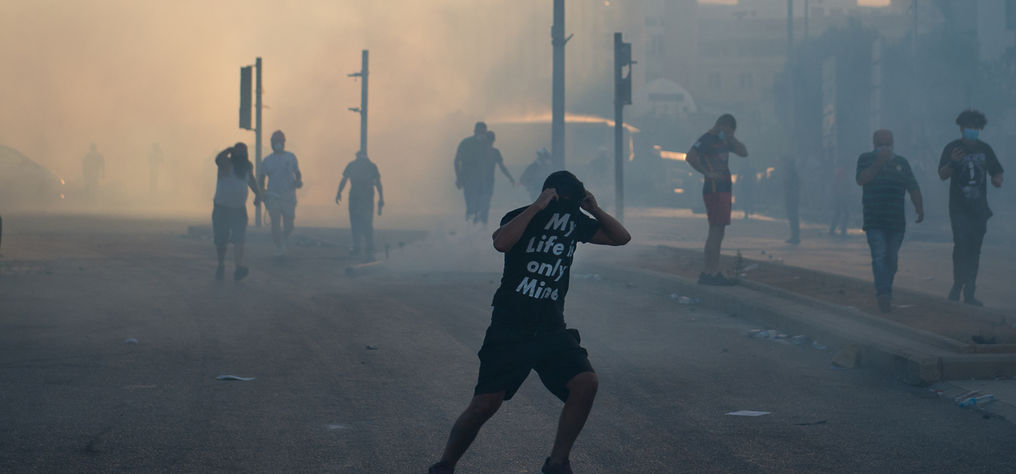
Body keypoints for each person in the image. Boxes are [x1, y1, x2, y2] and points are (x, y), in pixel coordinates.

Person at [429, 171, 630, 474]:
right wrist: (537, 206)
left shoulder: (575, 221)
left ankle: (558, 463)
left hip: (551, 327)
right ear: (547, 194)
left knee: (585, 383)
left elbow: (621, 238)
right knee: (485, 404)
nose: (565, 211)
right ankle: (445, 465)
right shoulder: (522, 216)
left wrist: (594, 209)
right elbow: (501, 243)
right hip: (510, 327)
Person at [938, 109, 1005, 306]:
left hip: (979, 209)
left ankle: (970, 291)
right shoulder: (952, 148)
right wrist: (953, 162)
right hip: (959, 208)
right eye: (968, 127)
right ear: (961, 128)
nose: (972, 131)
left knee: (975, 249)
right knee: (961, 246)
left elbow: (997, 172)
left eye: (976, 128)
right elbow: (942, 174)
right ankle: (957, 285)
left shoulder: (985, 149)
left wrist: (997, 180)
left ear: (980, 129)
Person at [856, 129, 923, 313]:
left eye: (888, 143)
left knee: (891, 260)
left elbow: (912, 185)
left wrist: (919, 206)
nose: (885, 146)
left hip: (896, 220)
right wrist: (879, 162)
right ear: (874, 144)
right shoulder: (865, 159)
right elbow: (861, 180)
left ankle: (886, 290)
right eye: (881, 143)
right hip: (874, 220)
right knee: (879, 256)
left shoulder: (901, 162)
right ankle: (883, 294)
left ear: (893, 144)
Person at [685, 114, 749, 286]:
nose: (729, 133)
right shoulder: (707, 139)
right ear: (722, 125)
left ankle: (710, 271)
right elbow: (690, 157)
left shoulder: (725, 141)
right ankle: (711, 272)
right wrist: (707, 173)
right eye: (729, 129)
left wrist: (731, 138)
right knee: (715, 231)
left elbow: (744, 152)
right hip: (714, 189)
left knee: (718, 231)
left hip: (724, 190)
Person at [212, 143, 262, 281]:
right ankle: (221, 264)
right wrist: (228, 150)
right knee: (221, 240)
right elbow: (218, 159)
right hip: (222, 208)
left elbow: (251, 180)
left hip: (239, 209)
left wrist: (258, 194)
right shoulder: (226, 164)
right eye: (237, 153)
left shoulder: (246, 167)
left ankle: (238, 267)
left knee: (239, 238)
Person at [259, 130, 303, 256]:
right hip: (273, 196)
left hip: (288, 195)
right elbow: (262, 178)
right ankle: (279, 246)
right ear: (272, 144)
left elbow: (297, 173)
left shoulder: (291, 157)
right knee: (275, 222)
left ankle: (282, 239)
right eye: (275, 142)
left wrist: (298, 181)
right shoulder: (267, 160)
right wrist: (262, 192)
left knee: (289, 225)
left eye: (279, 142)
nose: (277, 144)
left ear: (283, 143)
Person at [336, 150, 383, 260]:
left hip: (361, 196)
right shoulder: (368, 166)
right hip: (360, 196)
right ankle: (364, 247)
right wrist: (339, 191)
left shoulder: (362, 166)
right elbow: (378, 183)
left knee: (361, 221)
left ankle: (365, 247)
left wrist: (339, 192)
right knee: (361, 221)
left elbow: (378, 182)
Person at [472, 130, 516, 225]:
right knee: (483, 202)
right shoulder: (492, 152)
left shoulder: (483, 152)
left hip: (484, 181)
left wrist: (510, 178)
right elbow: (502, 167)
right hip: (485, 181)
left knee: (482, 201)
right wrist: (510, 178)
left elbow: (501, 167)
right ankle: (480, 221)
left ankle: (480, 221)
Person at [454, 122, 490, 224]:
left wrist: (486, 144)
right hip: (468, 180)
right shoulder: (466, 143)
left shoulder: (485, 144)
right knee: (471, 205)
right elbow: (457, 160)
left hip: (482, 181)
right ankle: (468, 228)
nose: (481, 134)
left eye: (483, 132)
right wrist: (459, 177)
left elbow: (489, 160)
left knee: (481, 206)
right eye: (480, 131)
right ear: (475, 131)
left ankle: (477, 229)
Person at [829, 156, 851, 236]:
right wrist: (844, 195)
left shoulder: (838, 172)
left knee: (838, 213)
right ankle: (843, 232)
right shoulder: (841, 172)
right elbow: (842, 185)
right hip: (841, 196)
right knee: (846, 214)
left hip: (839, 195)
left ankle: (832, 230)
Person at [783, 155, 801, 244]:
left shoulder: (792, 173)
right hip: (792, 197)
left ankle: (795, 236)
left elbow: (792, 186)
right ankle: (795, 236)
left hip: (792, 198)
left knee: (793, 217)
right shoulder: (792, 173)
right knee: (793, 217)